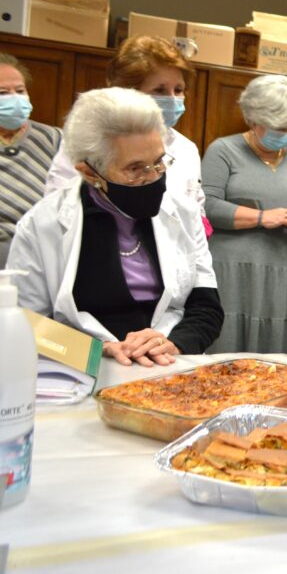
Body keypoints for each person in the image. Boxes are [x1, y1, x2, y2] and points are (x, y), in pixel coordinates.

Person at [7, 87, 222, 366]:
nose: (153, 178)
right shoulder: (43, 225)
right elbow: (27, 323)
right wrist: (96, 350)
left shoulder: (183, 212)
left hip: (167, 363)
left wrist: (175, 343)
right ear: (89, 172)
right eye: (135, 169)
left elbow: (206, 308)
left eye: (159, 163)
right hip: (83, 367)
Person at [201, 74, 287, 353]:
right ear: (253, 119)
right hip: (236, 269)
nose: (285, 134)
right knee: (230, 347)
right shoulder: (223, 149)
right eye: (277, 128)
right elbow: (206, 204)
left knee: (283, 354)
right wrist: (262, 217)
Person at [46, 36, 206, 216]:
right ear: (127, 91)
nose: (173, 99)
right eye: (159, 90)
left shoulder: (186, 149)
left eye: (178, 90)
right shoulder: (87, 143)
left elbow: (196, 211)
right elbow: (59, 209)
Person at [0, 53, 62, 267]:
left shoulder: (54, 138)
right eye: (3, 93)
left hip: (45, 248)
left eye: (20, 91)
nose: (14, 99)